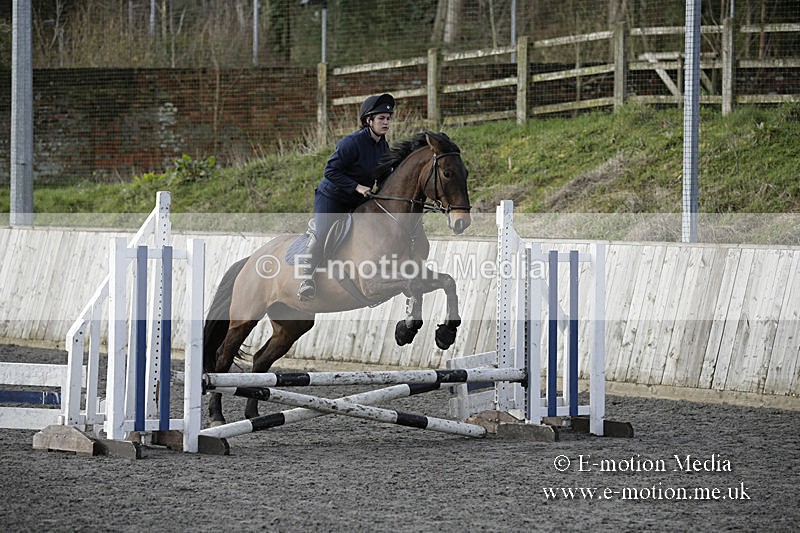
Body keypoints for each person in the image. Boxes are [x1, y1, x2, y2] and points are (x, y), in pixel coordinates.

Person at [297, 93, 395, 301]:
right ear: (368, 121)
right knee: (322, 232)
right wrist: (356, 186)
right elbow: (330, 171)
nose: (386, 122)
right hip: (332, 197)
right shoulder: (351, 143)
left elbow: (384, 175)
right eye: (381, 118)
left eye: (388, 118)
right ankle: (306, 278)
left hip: (359, 199)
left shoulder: (383, 146)